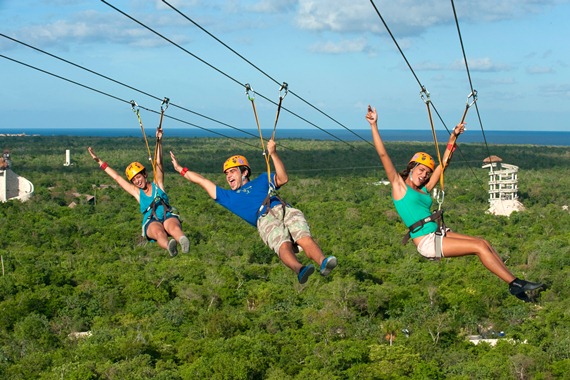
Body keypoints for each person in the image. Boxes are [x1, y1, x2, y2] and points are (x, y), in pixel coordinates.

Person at [365, 105, 543, 302]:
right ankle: (514, 284)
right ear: (412, 167)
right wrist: (374, 125)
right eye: (421, 170)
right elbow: (383, 156)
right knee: (479, 247)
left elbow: (443, 165)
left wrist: (453, 138)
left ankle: (514, 283)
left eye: (426, 173)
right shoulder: (399, 187)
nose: (424, 175)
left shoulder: (423, 189)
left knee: (483, 242)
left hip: (438, 233)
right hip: (427, 241)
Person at [169, 139, 337, 284]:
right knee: (282, 243)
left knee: (303, 237)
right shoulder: (227, 197)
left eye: (232, 171)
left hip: (283, 208)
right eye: (227, 173)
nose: (228, 176)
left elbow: (283, 178)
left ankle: (323, 262)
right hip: (264, 217)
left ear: (245, 172)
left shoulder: (263, 179)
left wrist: (273, 154)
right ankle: (299, 269)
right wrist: (180, 169)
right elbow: (203, 181)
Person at [88, 127, 189, 257]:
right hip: (151, 220)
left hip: (167, 215)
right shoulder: (136, 192)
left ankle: (182, 240)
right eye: (134, 179)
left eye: (139, 177)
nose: (137, 181)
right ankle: (169, 246)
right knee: (159, 233)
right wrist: (99, 161)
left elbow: (158, 163)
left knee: (173, 228)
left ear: (145, 174)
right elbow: (117, 178)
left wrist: (159, 141)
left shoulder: (158, 184)